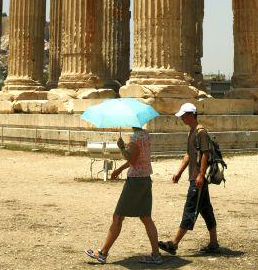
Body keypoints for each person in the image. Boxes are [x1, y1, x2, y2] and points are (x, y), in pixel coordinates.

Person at [85, 127, 162, 265]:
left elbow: (132, 160)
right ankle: (156, 255)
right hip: (145, 179)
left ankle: (103, 253)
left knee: (118, 216)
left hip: (135, 182)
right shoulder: (146, 135)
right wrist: (120, 169)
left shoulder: (135, 138)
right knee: (146, 217)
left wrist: (121, 148)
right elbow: (137, 158)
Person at [158, 102, 219, 256]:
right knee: (206, 210)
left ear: (191, 115)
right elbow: (188, 154)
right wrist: (178, 172)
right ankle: (214, 243)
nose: (182, 118)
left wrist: (200, 174)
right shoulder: (192, 132)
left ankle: (174, 243)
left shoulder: (200, 132)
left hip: (198, 179)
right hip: (195, 177)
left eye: (184, 115)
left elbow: (205, 153)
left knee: (190, 208)